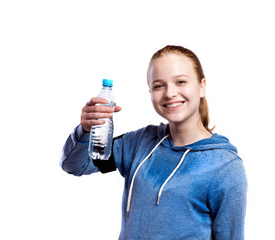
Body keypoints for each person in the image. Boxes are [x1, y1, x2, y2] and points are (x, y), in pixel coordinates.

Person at [60, 45, 247, 240]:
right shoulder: (138, 143)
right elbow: (74, 165)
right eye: (159, 85)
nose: (169, 93)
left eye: (180, 82)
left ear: (202, 86)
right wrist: (86, 130)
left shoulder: (225, 167)